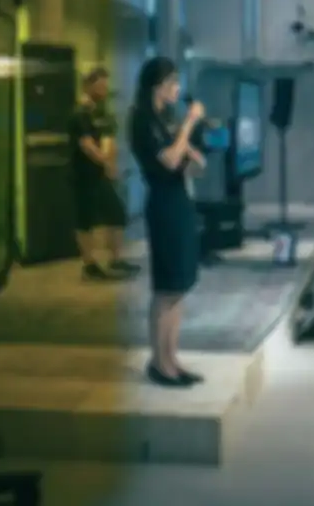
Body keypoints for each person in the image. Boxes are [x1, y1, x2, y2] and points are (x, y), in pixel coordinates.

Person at [128, 57, 206, 388]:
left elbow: (192, 163)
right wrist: (189, 124)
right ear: (157, 85)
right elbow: (170, 158)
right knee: (165, 288)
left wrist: (189, 147)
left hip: (180, 201)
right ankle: (159, 364)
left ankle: (172, 359)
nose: (177, 89)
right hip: (163, 204)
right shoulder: (142, 120)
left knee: (179, 288)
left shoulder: (166, 119)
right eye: (173, 82)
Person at [68, 67, 138, 282]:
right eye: (100, 85)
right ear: (89, 85)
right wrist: (107, 163)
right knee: (85, 220)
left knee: (116, 214)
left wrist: (110, 162)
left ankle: (115, 259)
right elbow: (87, 146)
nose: (104, 89)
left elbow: (107, 139)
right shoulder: (79, 114)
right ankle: (89, 265)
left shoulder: (101, 113)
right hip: (83, 175)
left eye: (106, 85)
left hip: (100, 174)